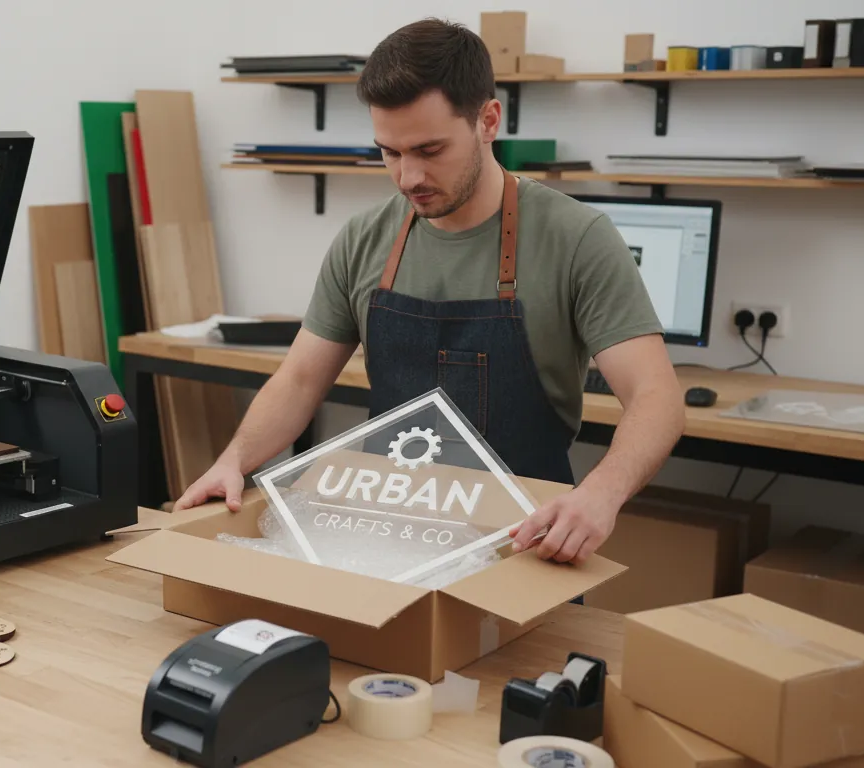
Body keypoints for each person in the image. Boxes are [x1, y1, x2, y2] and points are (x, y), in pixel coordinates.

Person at [173, 17, 685, 565]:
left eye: (429, 149)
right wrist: (235, 460)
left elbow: (658, 398)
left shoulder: (577, 239)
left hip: (526, 547)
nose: (407, 176)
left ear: (488, 120)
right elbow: (299, 381)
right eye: (389, 153)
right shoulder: (365, 239)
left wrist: (600, 496)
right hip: (388, 543)